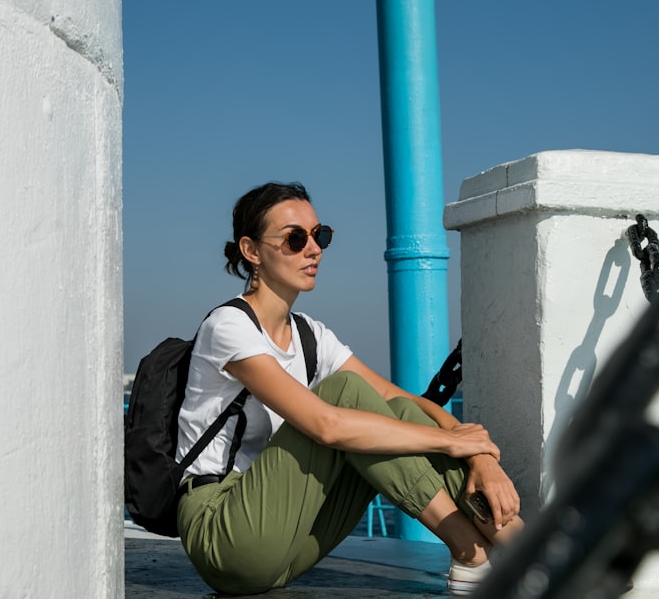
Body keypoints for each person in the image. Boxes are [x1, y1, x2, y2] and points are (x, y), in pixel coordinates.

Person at [175, 181, 524, 595]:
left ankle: (531, 554)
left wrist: (479, 453)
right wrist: (451, 444)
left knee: (391, 413)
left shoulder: (312, 336)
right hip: (223, 532)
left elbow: (400, 400)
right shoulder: (228, 327)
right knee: (345, 393)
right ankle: (471, 552)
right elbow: (327, 425)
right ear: (251, 251)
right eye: (295, 238)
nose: (314, 249)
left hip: (284, 544)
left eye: (320, 235)